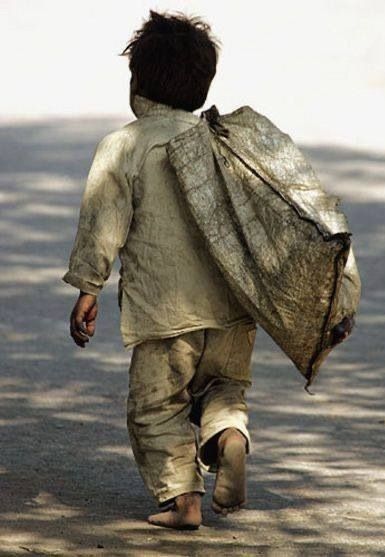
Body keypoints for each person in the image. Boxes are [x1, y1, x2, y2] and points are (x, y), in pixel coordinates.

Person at [62, 9, 257, 530]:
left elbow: (104, 223)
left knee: (157, 406)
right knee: (222, 390)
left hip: (164, 312)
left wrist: (88, 287)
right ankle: (228, 436)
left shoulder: (125, 145)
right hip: (234, 310)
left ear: (138, 83)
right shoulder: (225, 144)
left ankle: (183, 501)